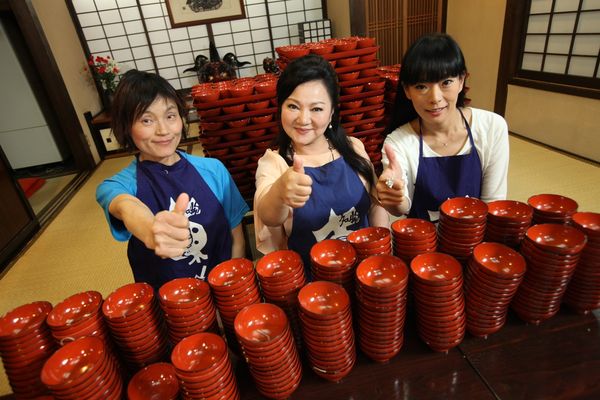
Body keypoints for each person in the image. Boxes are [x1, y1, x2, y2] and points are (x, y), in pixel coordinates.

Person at [96, 70, 249, 290]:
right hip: (169, 305)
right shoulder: (117, 185)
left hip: (222, 291)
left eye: (170, 116)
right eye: (147, 120)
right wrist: (150, 228)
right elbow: (124, 206)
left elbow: (236, 236)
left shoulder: (214, 170)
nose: (163, 130)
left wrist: (231, 289)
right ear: (127, 127)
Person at [253, 54, 388, 271]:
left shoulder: (353, 147)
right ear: (280, 107)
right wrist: (279, 192)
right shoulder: (274, 163)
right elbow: (269, 216)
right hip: (312, 288)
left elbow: (374, 205)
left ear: (332, 111)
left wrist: (381, 252)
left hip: (367, 274)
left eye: (316, 109)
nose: (303, 119)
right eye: (293, 106)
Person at [377, 32, 509, 222]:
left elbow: (493, 204)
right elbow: (403, 207)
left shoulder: (492, 127)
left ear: (461, 81)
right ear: (407, 90)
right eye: (422, 86)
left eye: (446, 82)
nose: (435, 98)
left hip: (477, 243)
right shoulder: (398, 142)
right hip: (424, 247)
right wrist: (394, 196)